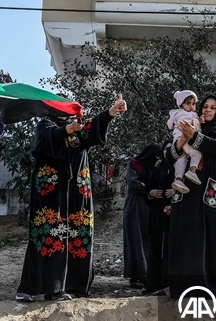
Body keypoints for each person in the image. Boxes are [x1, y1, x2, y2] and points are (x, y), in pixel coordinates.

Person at [16, 95, 128, 301]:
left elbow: (94, 128)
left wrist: (112, 112)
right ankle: (40, 288)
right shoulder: (45, 125)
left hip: (78, 192)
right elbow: (47, 139)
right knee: (49, 235)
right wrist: (68, 130)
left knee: (78, 234)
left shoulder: (79, 128)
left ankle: (72, 286)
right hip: (50, 194)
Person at [166, 95, 216, 298]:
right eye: (204, 106)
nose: (207, 110)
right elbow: (169, 156)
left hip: (209, 189)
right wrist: (183, 140)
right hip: (186, 189)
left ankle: (205, 285)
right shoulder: (191, 123)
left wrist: (195, 138)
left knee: (206, 234)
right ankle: (179, 286)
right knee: (184, 233)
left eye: (212, 107)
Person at [140, 140, 175, 295]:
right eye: (166, 149)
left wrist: (175, 193)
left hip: (172, 213)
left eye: (171, 149)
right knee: (154, 247)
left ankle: (168, 283)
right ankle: (153, 284)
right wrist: (151, 192)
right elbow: (147, 187)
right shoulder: (158, 167)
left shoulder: (180, 167)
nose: (168, 152)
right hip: (156, 213)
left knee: (169, 247)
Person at [122, 147, 157, 287]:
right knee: (135, 239)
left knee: (145, 240)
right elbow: (134, 183)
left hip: (146, 207)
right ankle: (137, 276)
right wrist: (148, 189)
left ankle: (145, 274)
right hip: (134, 206)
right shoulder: (133, 164)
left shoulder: (152, 167)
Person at [167, 90, 203, 193]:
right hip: (186, 139)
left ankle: (178, 179)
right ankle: (192, 171)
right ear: (181, 104)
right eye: (188, 104)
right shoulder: (182, 114)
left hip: (179, 141)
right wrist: (198, 121)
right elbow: (188, 126)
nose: (191, 106)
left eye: (193, 104)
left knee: (181, 160)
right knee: (196, 153)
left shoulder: (181, 114)